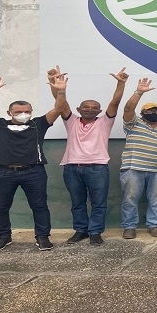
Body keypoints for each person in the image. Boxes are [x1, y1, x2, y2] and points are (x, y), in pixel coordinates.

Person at [0, 74, 68, 251]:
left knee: (39, 206)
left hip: (33, 171)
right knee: (1, 207)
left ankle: (42, 237)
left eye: (27, 111)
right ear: (9, 113)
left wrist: (61, 91)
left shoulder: (39, 124)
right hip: (3, 172)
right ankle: (3, 237)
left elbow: (59, 108)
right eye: (18, 112)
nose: (23, 114)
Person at [47, 66, 128, 247]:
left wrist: (121, 83)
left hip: (97, 168)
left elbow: (115, 102)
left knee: (99, 203)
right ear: (79, 109)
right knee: (77, 203)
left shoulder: (105, 122)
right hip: (72, 168)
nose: (90, 110)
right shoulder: (71, 120)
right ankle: (81, 230)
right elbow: (60, 104)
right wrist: (56, 85)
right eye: (86, 107)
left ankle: (95, 232)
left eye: (94, 108)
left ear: (99, 111)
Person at [119, 78, 157, 239]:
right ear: (142, 113)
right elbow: (128, 108)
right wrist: (138, 93)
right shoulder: (133, 124)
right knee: (130, 199)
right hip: (133, 169)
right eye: (150, 111)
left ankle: (154, 225)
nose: (154, 113)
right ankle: (129, 227)